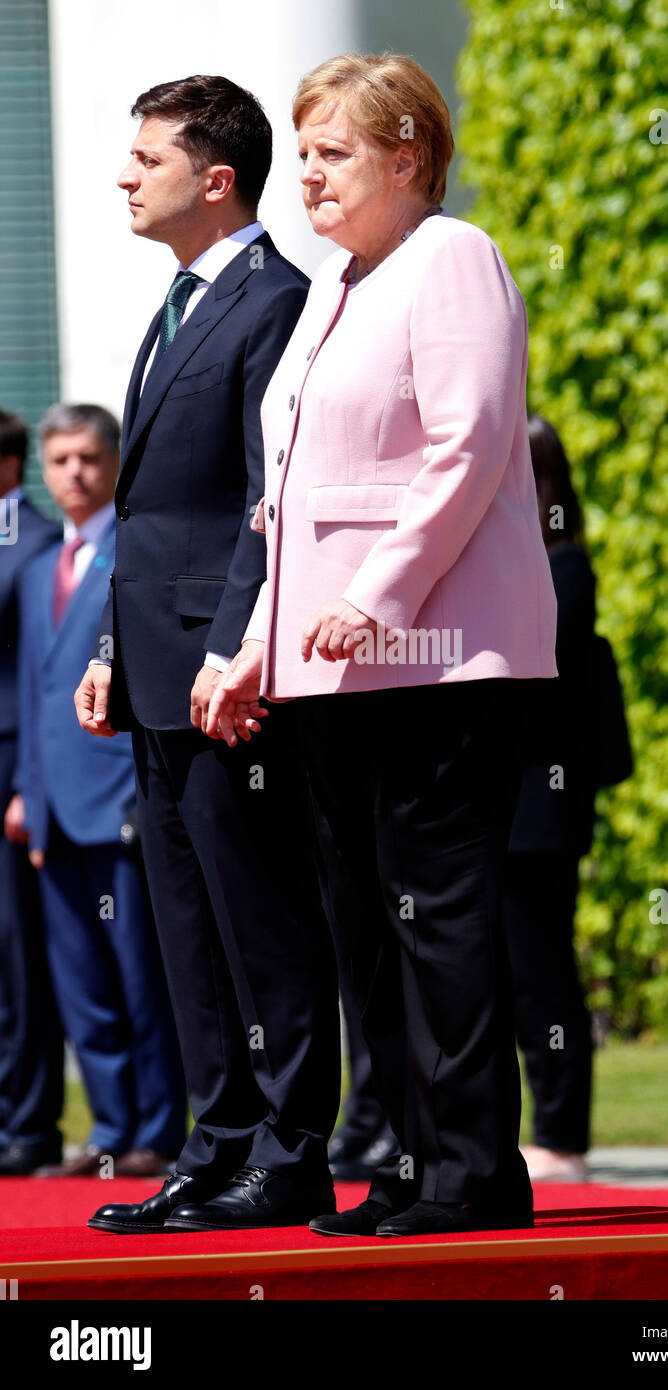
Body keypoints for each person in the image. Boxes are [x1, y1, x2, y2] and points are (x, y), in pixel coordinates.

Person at [206, 53, 558, 1239]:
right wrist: (259, 640)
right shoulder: (333, 287)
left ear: (407, 159)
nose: (305, 173)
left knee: (435, 915)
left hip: (437, 658)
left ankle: (472, 1171)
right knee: (363, 923)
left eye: (332, 151)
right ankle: (407, 1162)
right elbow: (289, 500)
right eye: (301, 152)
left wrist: (381, 594)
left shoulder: (451, 259)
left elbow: (465, 449)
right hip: (331, 669)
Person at [74, 77, 339, 1234]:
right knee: (185, 920)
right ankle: (217, 1141)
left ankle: (289, 1152)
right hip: (151, 674)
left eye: (147, 159)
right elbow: (150, 510)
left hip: (224, 682)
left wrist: (232, 649)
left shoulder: (274, 300)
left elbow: (262, 502)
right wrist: (108, 648)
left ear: (216, 178)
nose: (125, 177)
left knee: (257, 918)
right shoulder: (177, 304)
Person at [14, 404, 187, 1176]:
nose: (74, 474)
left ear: (115, 461)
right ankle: (112, 1132)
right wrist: (29, 795)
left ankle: (158, 1129)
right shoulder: (38, 567)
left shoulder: (133, 550)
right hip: (53, 812)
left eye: (88, 457)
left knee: (142, 978)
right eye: (59, 461)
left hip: (119, 802)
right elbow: (33, 692)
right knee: (81, 985)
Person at [504, 413, 600, 1182]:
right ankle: (544, 1130)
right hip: (510, 805)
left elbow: (538, 667)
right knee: (516, 973)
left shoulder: (562, 567)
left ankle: (562, 1137)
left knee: (543, 975)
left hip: (540, 808)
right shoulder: (526, 559)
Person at [0, 409, 64, 1175]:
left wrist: (27, 785)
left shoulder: (37, 545)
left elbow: (43, 681)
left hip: (15, 771)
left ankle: (28, 1126)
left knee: (19, 957)